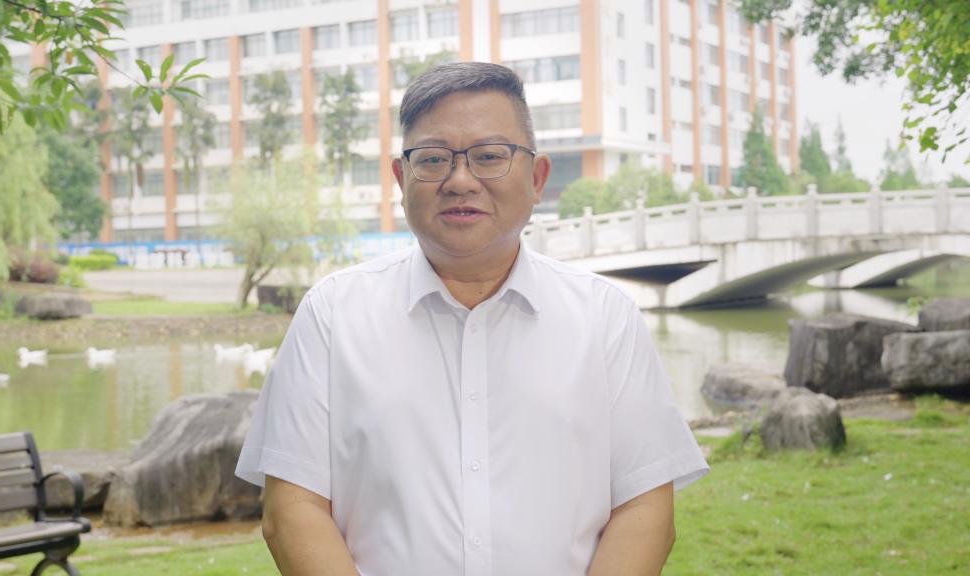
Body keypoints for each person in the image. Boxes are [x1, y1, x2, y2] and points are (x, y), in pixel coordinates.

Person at [236, 62, 709, 576]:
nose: (460, 181)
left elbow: (644, 507)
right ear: (401, 178)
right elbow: (293, 511)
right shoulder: (332, 315)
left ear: (537, 178)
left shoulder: (605, 318)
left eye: (489, 156)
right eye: (433, 159)